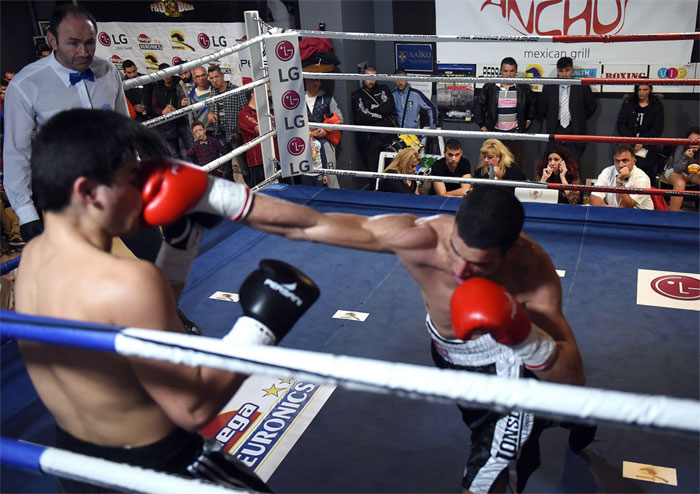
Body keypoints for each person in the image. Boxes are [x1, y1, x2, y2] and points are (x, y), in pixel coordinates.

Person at [143, 156, 593, 494]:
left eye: (478, 266)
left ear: (510, 251)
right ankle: (564, 417)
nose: (459, 271)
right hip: (447, 352)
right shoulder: (421, 237)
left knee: (491, 466)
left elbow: (571, 374)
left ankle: (557, 418)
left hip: (505, 360)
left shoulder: (530, 271)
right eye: (456, 252)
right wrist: (215, 194)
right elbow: (311, 225)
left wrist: (522, 335)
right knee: (498, 419)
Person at [14, 109, 320, 492]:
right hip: (156, 469)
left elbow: (137, 319)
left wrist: (181, 245)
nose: (143, 192)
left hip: (77, 464)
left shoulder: (33, 259)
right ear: (88, 191)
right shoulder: (126, 280)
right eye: (132, 179)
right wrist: (259, 328)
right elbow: (192, 408)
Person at [3, 4, 129, 243]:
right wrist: (26, 213)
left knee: (160, 255)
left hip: (117, 185)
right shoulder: (26, 85)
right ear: (52, 40)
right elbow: (16, 153)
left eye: (90, 42)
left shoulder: (108, 71)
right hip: (69, 199)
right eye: (73, 43)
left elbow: (124, 128)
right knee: (85, 264)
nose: (84, 51)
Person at [473, 57, 536, 166]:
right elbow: (478, 105)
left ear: (516, 72)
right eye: (505, 71)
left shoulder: (523, 88)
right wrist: (481, 124)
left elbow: (533, 104)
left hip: (515, 133)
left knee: (515, 164)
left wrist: (529, 119)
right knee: (492, 164)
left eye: (511, 71)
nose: (508, 74)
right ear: (501, 71)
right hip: (495, 133)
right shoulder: (490, 87)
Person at [538, 56, 597, 164]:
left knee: (574, 165)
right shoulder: (549, 87)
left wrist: (579, 118)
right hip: (555, 129)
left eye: (567, 70)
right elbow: (542, 109)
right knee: (553, 164)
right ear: (557, 71)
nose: (564, 74)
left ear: (572, 70)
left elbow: (591, 106)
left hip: (575, 130)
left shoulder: (582, 86)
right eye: (561, 71)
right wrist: (553, 119)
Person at [351, 65, 397, 188]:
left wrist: (371, 108)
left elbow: (389, 107)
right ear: (363, 77)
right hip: (369, 138)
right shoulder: (357, 95)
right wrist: (381, 115)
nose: (371, 81)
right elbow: (361, 117)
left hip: (386, 135)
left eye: (373, 77)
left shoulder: (383, 89)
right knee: (372, 169)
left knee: (391, 166)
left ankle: (390, 190)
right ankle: (375, 192)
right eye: (368, 78)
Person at [207, 65, 247, 182]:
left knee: (244, 168)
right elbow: (212, 110)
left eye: (216, 77)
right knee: (225, 169)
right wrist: (210, 113)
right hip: (220, 134)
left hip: (235, 135)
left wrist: (238, 131)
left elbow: (245, 112)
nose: (214, 80)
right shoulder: (212, 93)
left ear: (223, 75)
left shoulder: (236, 90)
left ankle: (253, 190)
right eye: (212, 78)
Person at [616, 83, 665, 179]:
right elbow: (621, 125)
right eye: (639, 89)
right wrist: (633, 141)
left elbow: (658, 127)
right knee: (624, 167)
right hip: (629, 144)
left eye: (645, 89)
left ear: (650, 90)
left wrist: (643, 142)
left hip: (648, 146)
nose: (642, 93)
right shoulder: (628, 104)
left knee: (647, 171)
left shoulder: (656, 105)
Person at [305, 75, 343, 189]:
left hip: (324, 142)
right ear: (306, 81)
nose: (314, 83)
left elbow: (340, 119)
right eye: (311, 80)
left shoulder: (327, 98)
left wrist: (326, 130)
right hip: (305, 143)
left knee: (330, 175)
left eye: (316, 80)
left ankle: (335, 198)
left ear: (320, 82)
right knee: (307, 177)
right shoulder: (298, 99)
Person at [590, 143, 653, 209]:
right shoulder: (607, 171)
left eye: (625, 160)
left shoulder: (642, 178)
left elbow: (624, 207)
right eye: (617, 161)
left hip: (640, 214)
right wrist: (605, 207)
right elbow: (594, 197)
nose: (621, 165)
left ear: (634, 161)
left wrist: (620, 181)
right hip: (614, 212)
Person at [662, 126, 700, 211]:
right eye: (692, 140)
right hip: (674, 171)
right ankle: (674, 213)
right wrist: (685, 157)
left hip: (691, 173)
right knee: (680, 183)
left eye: (697, 140)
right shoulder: (681, 145)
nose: (694, 142)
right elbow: (677, 169)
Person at [151, 63, 182, 159]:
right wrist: (162, 112)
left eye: (168, 74)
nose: (166, 77)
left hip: (182, 122)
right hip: (167, 126)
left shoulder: (180, 83)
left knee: (189, 149)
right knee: (174, 154)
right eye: (163, 75)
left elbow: (186, 100)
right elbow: (154, 107)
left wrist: (177, 110)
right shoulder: (157, 88)